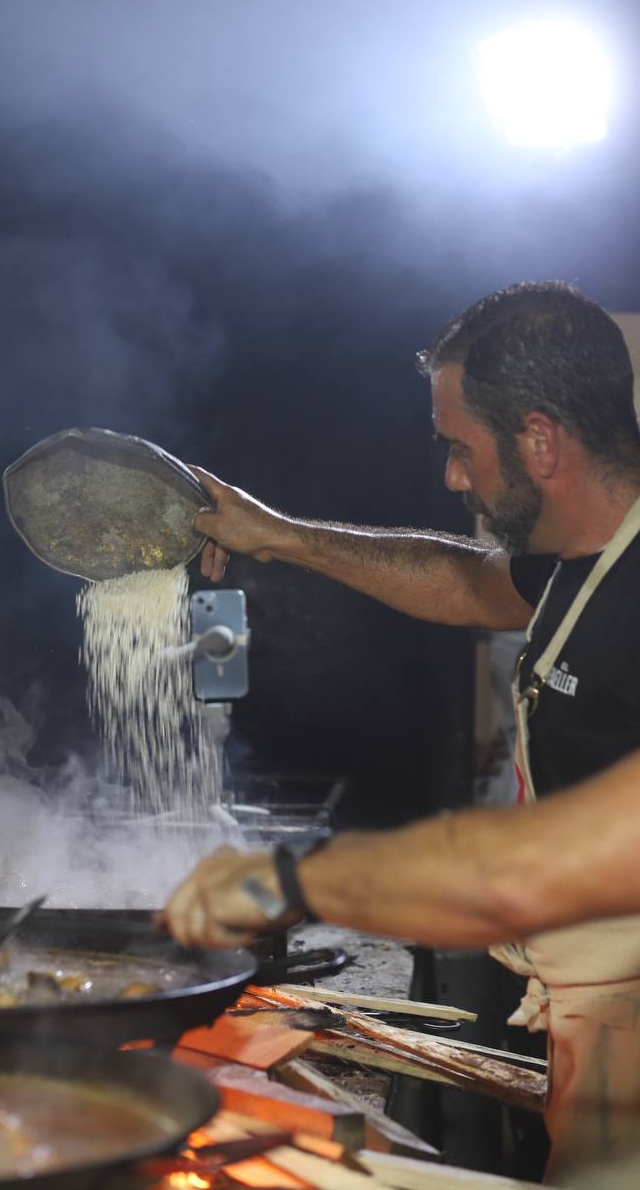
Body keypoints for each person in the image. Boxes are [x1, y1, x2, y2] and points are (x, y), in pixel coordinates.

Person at [163, 281, 640, 1186]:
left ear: (539, 440)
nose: (453, 477)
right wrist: (282, 537)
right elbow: (468, 584)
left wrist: (296, 881)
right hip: (589, 1014)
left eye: (459, 448)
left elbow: (529, 869)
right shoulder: (588, 556)